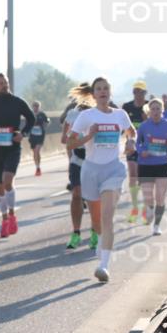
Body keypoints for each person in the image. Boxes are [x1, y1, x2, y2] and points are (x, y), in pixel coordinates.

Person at [67, 77, 137, 282]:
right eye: (99, 89)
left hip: (113, 170)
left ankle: (104, 266)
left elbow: (131, 132)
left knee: (107, 217)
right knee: (97, 221)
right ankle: (100, 243)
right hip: (90, 171)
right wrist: (89, 136)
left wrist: (131, 142)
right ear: (94, 94)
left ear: (110, 92)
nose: (103, 91)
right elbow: (71, 143)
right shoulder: (86, 116)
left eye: (106, 88)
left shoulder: (120, 115)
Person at [0, 73, 36, 238]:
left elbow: (31, 119)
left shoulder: (17, 102)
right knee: (0, 185)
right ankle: (4, 220)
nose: (3, 85)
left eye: (5, 82)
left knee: (7, 180)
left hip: (12, 147)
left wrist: (23, 134)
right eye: (0, 83)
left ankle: (12, 214)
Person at [62, 95, 100, 250]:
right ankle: (76, 233)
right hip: (77, 160)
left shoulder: (98, 117)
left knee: (93, 198)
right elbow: (65, 140)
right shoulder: (72, 115)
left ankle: (94, 232)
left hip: (93, 161)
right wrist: (70, 158)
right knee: (77, 194)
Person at [136, 97, 167, 235]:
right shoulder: (144, 126)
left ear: (163, 110)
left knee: (160, 197)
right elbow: (137, 143)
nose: (155, 111)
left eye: (158, 109)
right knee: (148, 197)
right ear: (149, 111)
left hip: (163, 164)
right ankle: (149, 208)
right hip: (146, 164)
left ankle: (156, 226)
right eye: (153, 109)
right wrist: (141, 151)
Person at [123, 81, 149, 224]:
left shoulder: (149, 106)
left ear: (145, 93)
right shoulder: (127, 107)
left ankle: (145, 208)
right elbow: (123, 126)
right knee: (133, 174)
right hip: (132, 146)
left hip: (146, 148)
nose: (138, 94)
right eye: (136, 91)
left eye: (141, 92)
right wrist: (128, 139)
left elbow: (155, 124)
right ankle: (134, 207)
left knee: (143, 177)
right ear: (133, 93)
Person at [29, 100, 49, 176]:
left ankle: (38, 168)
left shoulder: (42, 114)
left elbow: (47, 122)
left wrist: (45, 125)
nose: (36, 107)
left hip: (40, 135)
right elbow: (27, 123)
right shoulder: (30, 114)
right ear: (32, 107)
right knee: (35, 152)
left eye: (37, 106)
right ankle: (37, 166)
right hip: (32, 135)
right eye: (34, 106)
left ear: (39, 107)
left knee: (37, 151)